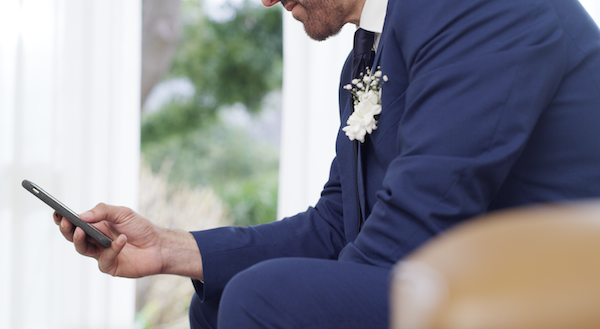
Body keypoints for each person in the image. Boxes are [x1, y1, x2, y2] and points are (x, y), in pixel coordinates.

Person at [54, 0, 600, 327]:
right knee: (220, 300)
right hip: (442, 282)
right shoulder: (372, 51)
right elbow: (337, 223)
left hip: (538, 299)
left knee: (263, 298)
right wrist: (172, 248)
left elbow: (413, 235)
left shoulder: (483, 10)